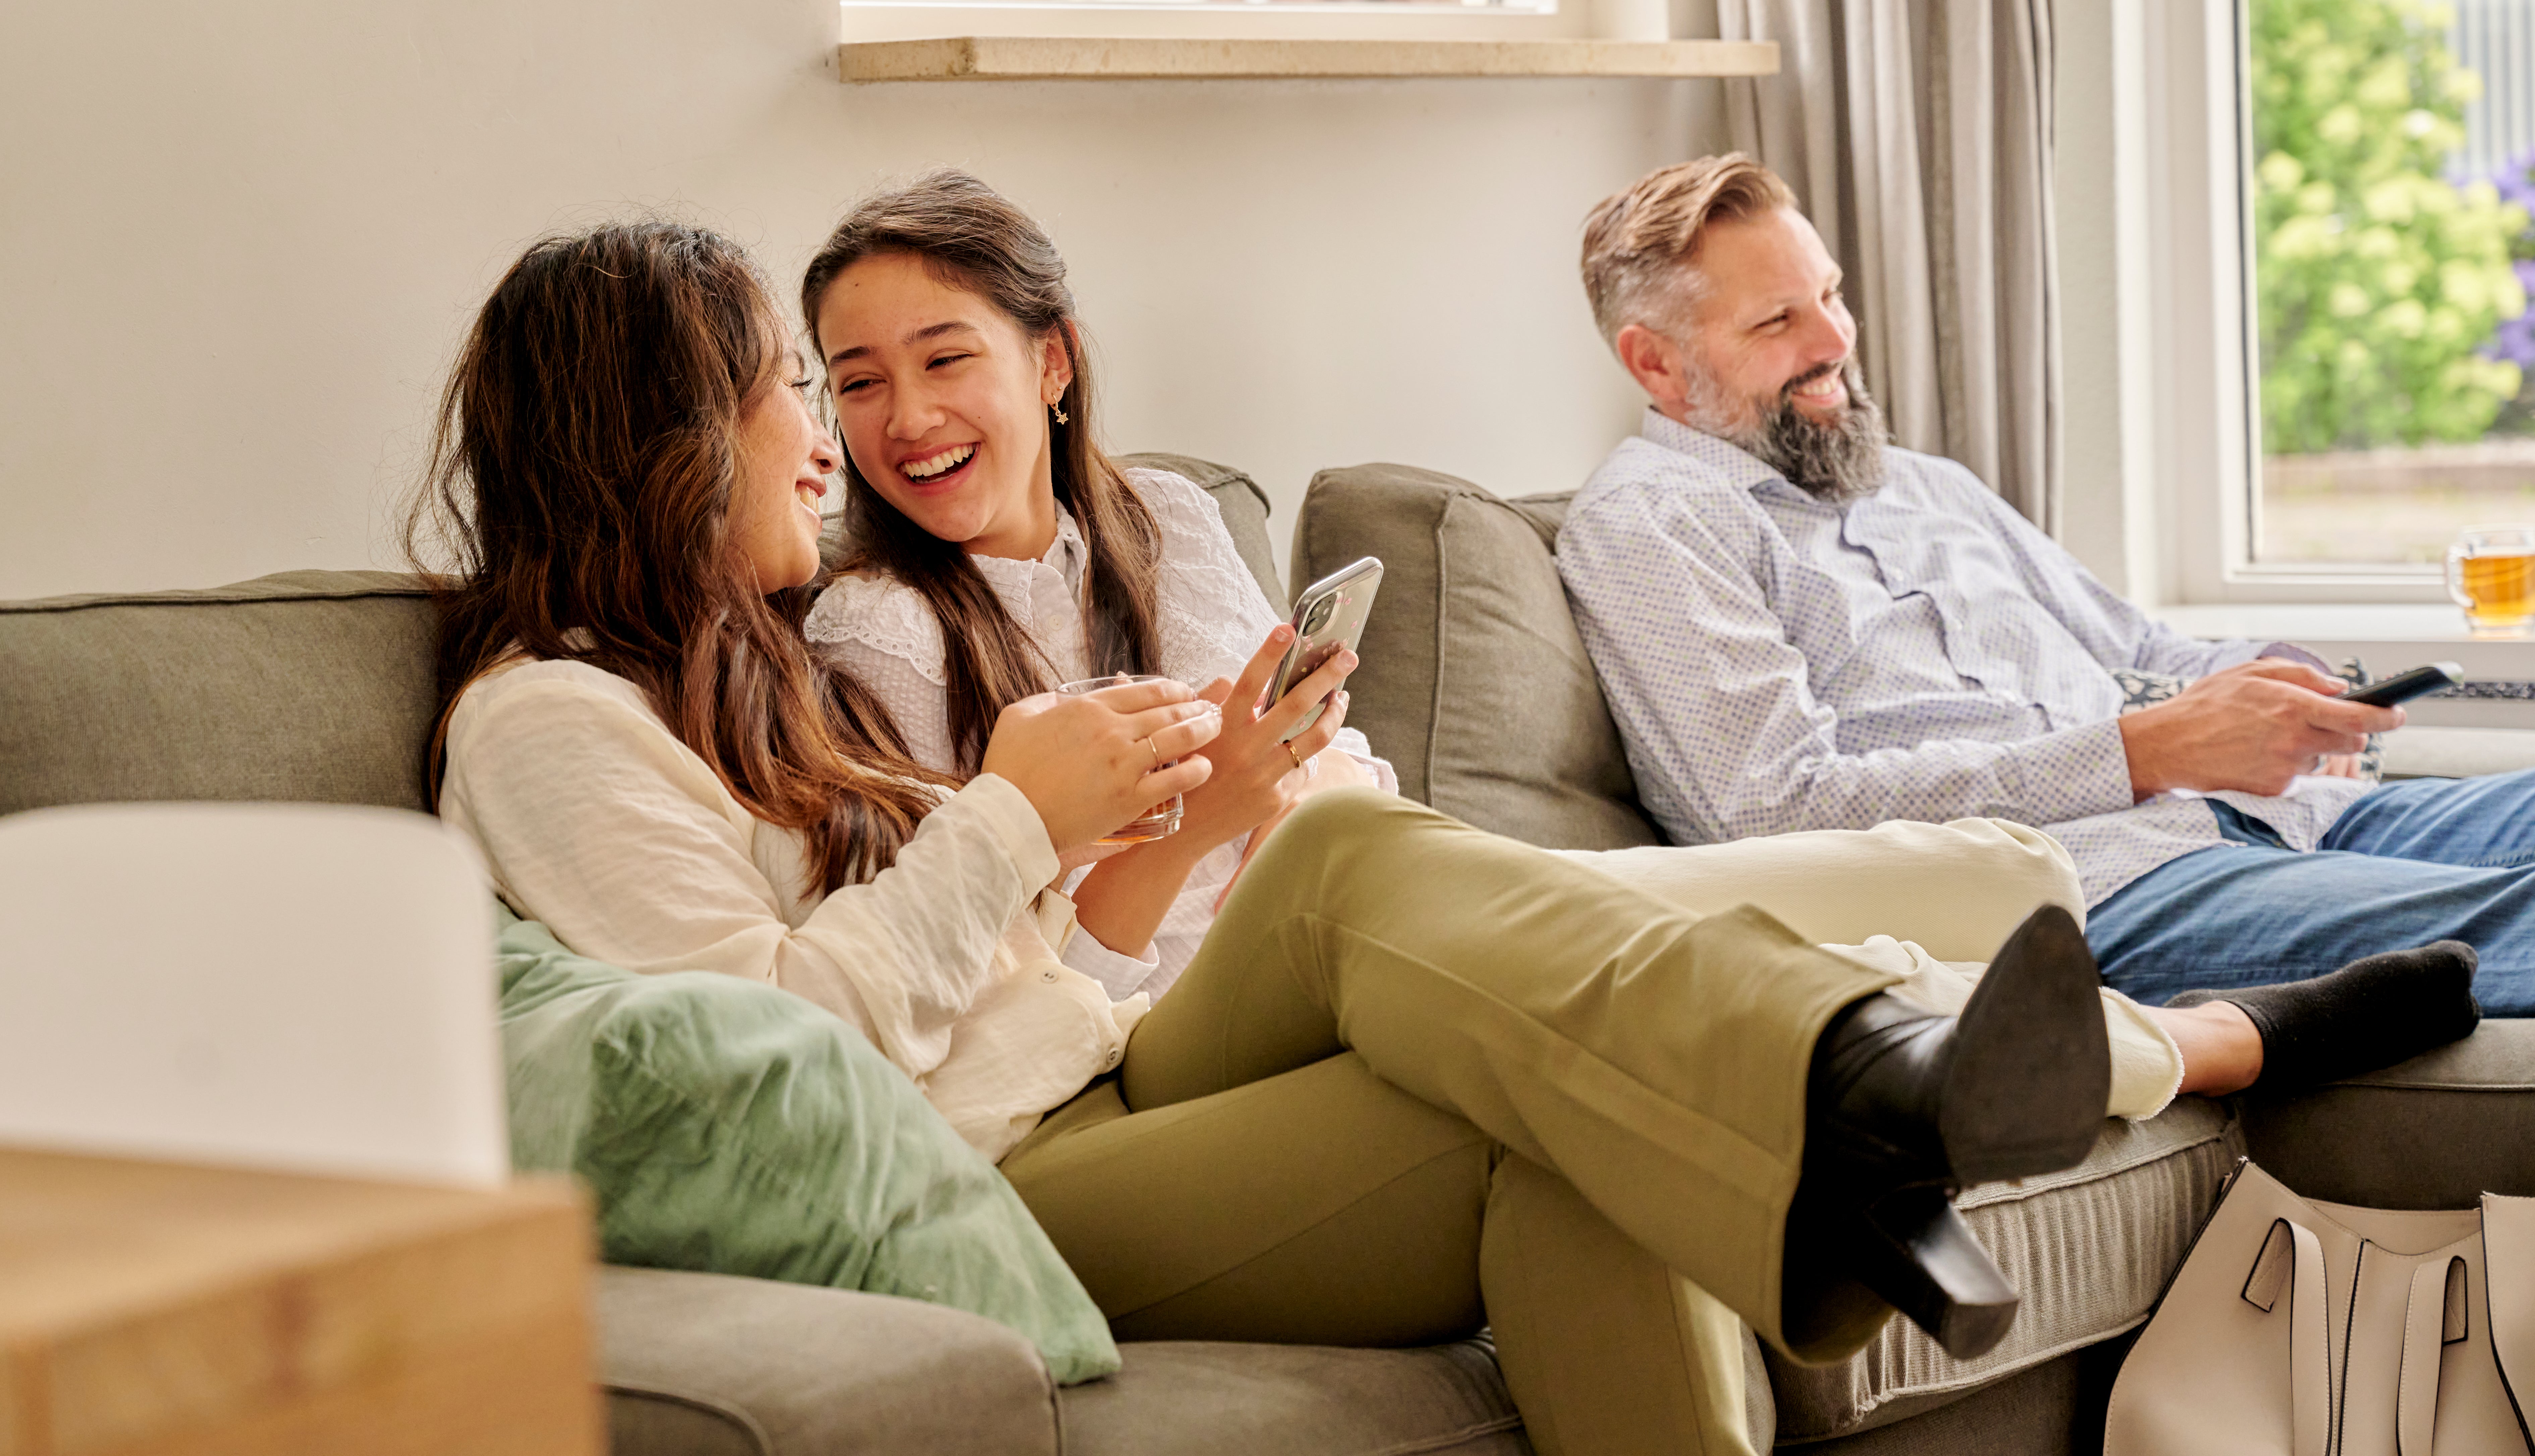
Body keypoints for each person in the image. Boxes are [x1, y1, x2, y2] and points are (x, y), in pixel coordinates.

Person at [413, 217, 2111, 1456]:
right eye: (799, 387)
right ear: (663, 438)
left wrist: (1123, 843)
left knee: (1350, 864)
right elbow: (784, 1062)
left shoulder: (742, 671)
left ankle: (1860, 1070)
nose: (830, 438)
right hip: (989, 1162)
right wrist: (1015, 815)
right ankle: (1855, 1093)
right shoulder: (549, 724)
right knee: (1562, 1129)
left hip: (1080, 1053)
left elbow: (1030, 967)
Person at [793, 170, 2326, 1119]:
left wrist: (1310, 801)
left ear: (1051, 364)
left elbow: (1337, 762)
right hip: (1187, 1010)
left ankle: (2042, 1053)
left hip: (1376, 894)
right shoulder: (878, 625)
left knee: (1997, 871)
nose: (906, 419)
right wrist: (1232, 807)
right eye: (856, 383)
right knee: (1643, 945)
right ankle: (2177, 1052)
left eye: (946, 359)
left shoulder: (1175, 524)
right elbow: (1014, 956)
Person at [1554, 151, 2501, 1066]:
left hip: (2266, 818)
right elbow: (1775, 812)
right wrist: (2144, 752)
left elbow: (2139, 646)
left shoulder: (1925, 486)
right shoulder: (1652, 524)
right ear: (1658, 365)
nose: (1837, 341)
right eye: (1777, 322)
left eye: (1833, 295)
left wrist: (2277, 684)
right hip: (2101, 895)